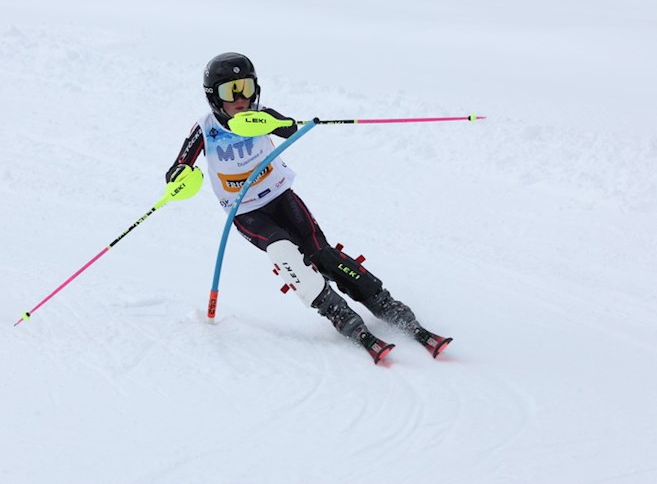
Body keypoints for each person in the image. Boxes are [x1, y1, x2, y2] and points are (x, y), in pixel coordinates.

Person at [166, 52, 450, 362]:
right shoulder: (205, 128)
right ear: (213, 96)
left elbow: (287, 129)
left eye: (245, 88)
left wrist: (277, 123)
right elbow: (179, 166)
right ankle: (338, 313)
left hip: (280, 196)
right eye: (229, 91)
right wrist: (180, 175)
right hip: (245, 211)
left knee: (320, 253)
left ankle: (384, 303)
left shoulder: (258, 117)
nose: (240, 98)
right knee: (283, 250)